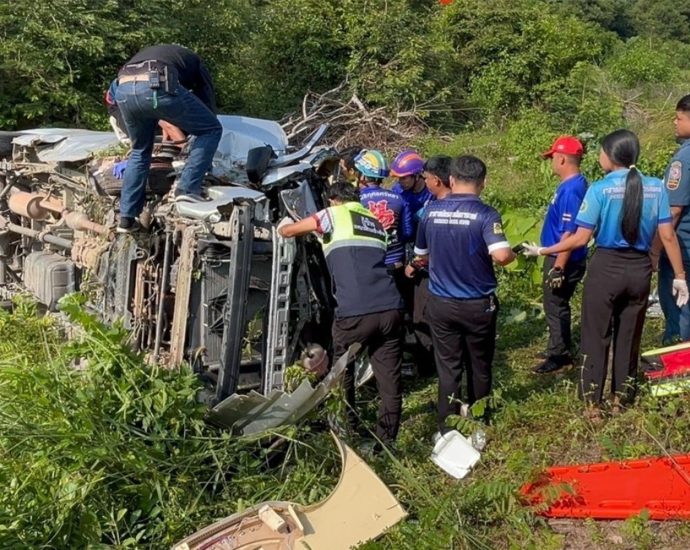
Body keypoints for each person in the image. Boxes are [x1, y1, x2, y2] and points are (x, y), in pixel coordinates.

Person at [523, 129, 689, 420]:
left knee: (596, 335)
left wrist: (544, 251)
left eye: (601, 151)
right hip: (639, 271)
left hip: (606, 268)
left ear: (611, 156)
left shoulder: (599, 189)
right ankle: (621, 398)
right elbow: (668, 236)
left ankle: (592, 404)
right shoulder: (655, 187)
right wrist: (679, 275)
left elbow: (578, 238)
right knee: (629, 335)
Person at [277, 180, 404, 445]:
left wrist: (281, 225)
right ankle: (386, 441)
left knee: (340, 374)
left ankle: (346, 432)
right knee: (390, 380)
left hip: (355, 313)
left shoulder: (333, 214)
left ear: (334, 200)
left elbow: (291, 231)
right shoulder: (375, 223)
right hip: (391, 308)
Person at [408, 155, 515, 433]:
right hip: (478, 305)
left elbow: (421, 256)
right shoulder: (486, 214)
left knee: (448, 366)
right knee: (479, 363)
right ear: (483, 183)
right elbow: (502, 256)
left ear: (452, 180)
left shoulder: (430, 213)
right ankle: (480, 417)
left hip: (441, 303)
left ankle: (447, 426)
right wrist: (513, 251)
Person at [114, 44, 223, 233]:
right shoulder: (195, 61)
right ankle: (187, 190)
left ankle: (126, 217)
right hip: (155, 83)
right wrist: (205, 159)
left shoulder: (157, 54)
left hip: (122, 90)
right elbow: (207, 103)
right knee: (212, 129)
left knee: (140, 151)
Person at [534, 136, 589, 374]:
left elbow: (570, 232)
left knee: (555, 305)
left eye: (552, 158)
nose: (551, 163)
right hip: (561, 255)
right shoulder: (572, 184)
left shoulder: (571, 190)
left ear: (562, 159)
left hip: (564, 258)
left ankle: (559, 355)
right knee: (555, 303)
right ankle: (556, 345)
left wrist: (558, 266)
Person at [407, 155, 453, 376]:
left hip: (432, 273)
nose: (424, 182)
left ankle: (430, 367)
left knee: (423, 318)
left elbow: (426, 252)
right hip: (453, 276)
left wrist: (413, 266)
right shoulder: (461, 203)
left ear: (436, 180)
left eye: (425, 178)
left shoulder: (434, 211)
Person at [658, 95, 690, 344]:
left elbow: (674, 210)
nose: (674, 122)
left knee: (679, 306)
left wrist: (657, 247)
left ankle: (678, 361)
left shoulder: (683, 159)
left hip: (682, 247)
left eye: (679, 118)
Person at [354, 149, 413, 284]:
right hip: (396, 263)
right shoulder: (399, 198)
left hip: (368, 264)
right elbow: (408, 232)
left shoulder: (355, 201)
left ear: (362, 176)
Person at [391, 150, 433, 225]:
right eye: (399, 178)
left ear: (416, 176)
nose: (400, 182)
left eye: (404, 178)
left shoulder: (432, 191)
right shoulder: (397, 191)